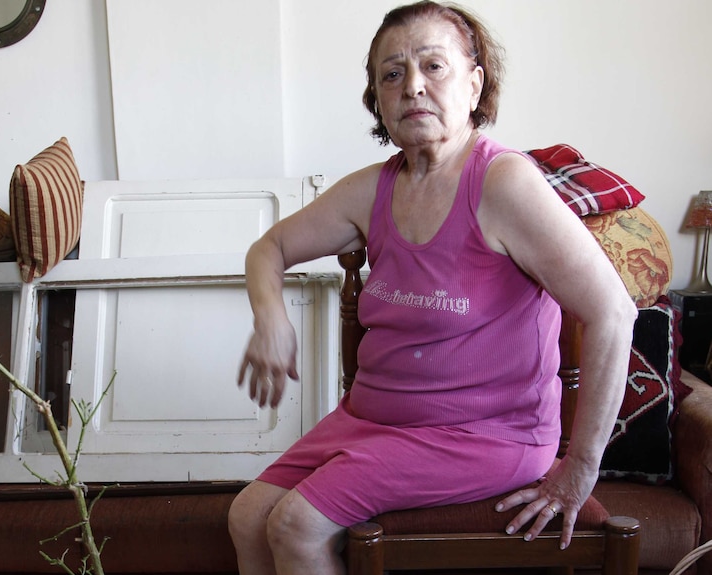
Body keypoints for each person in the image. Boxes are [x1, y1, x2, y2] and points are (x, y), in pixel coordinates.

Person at [228, 2, 638, 573]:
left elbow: (614, 312)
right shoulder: (372, 189)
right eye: (392, 74)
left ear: (474, 85)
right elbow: (266, 249)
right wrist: (270, 316)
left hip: (483, 435)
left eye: (433, 67)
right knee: (247, 517)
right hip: (372, 420)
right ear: (378, 100)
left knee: (295, 525)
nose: (412, 86)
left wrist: (580, 469)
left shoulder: (503, 184)